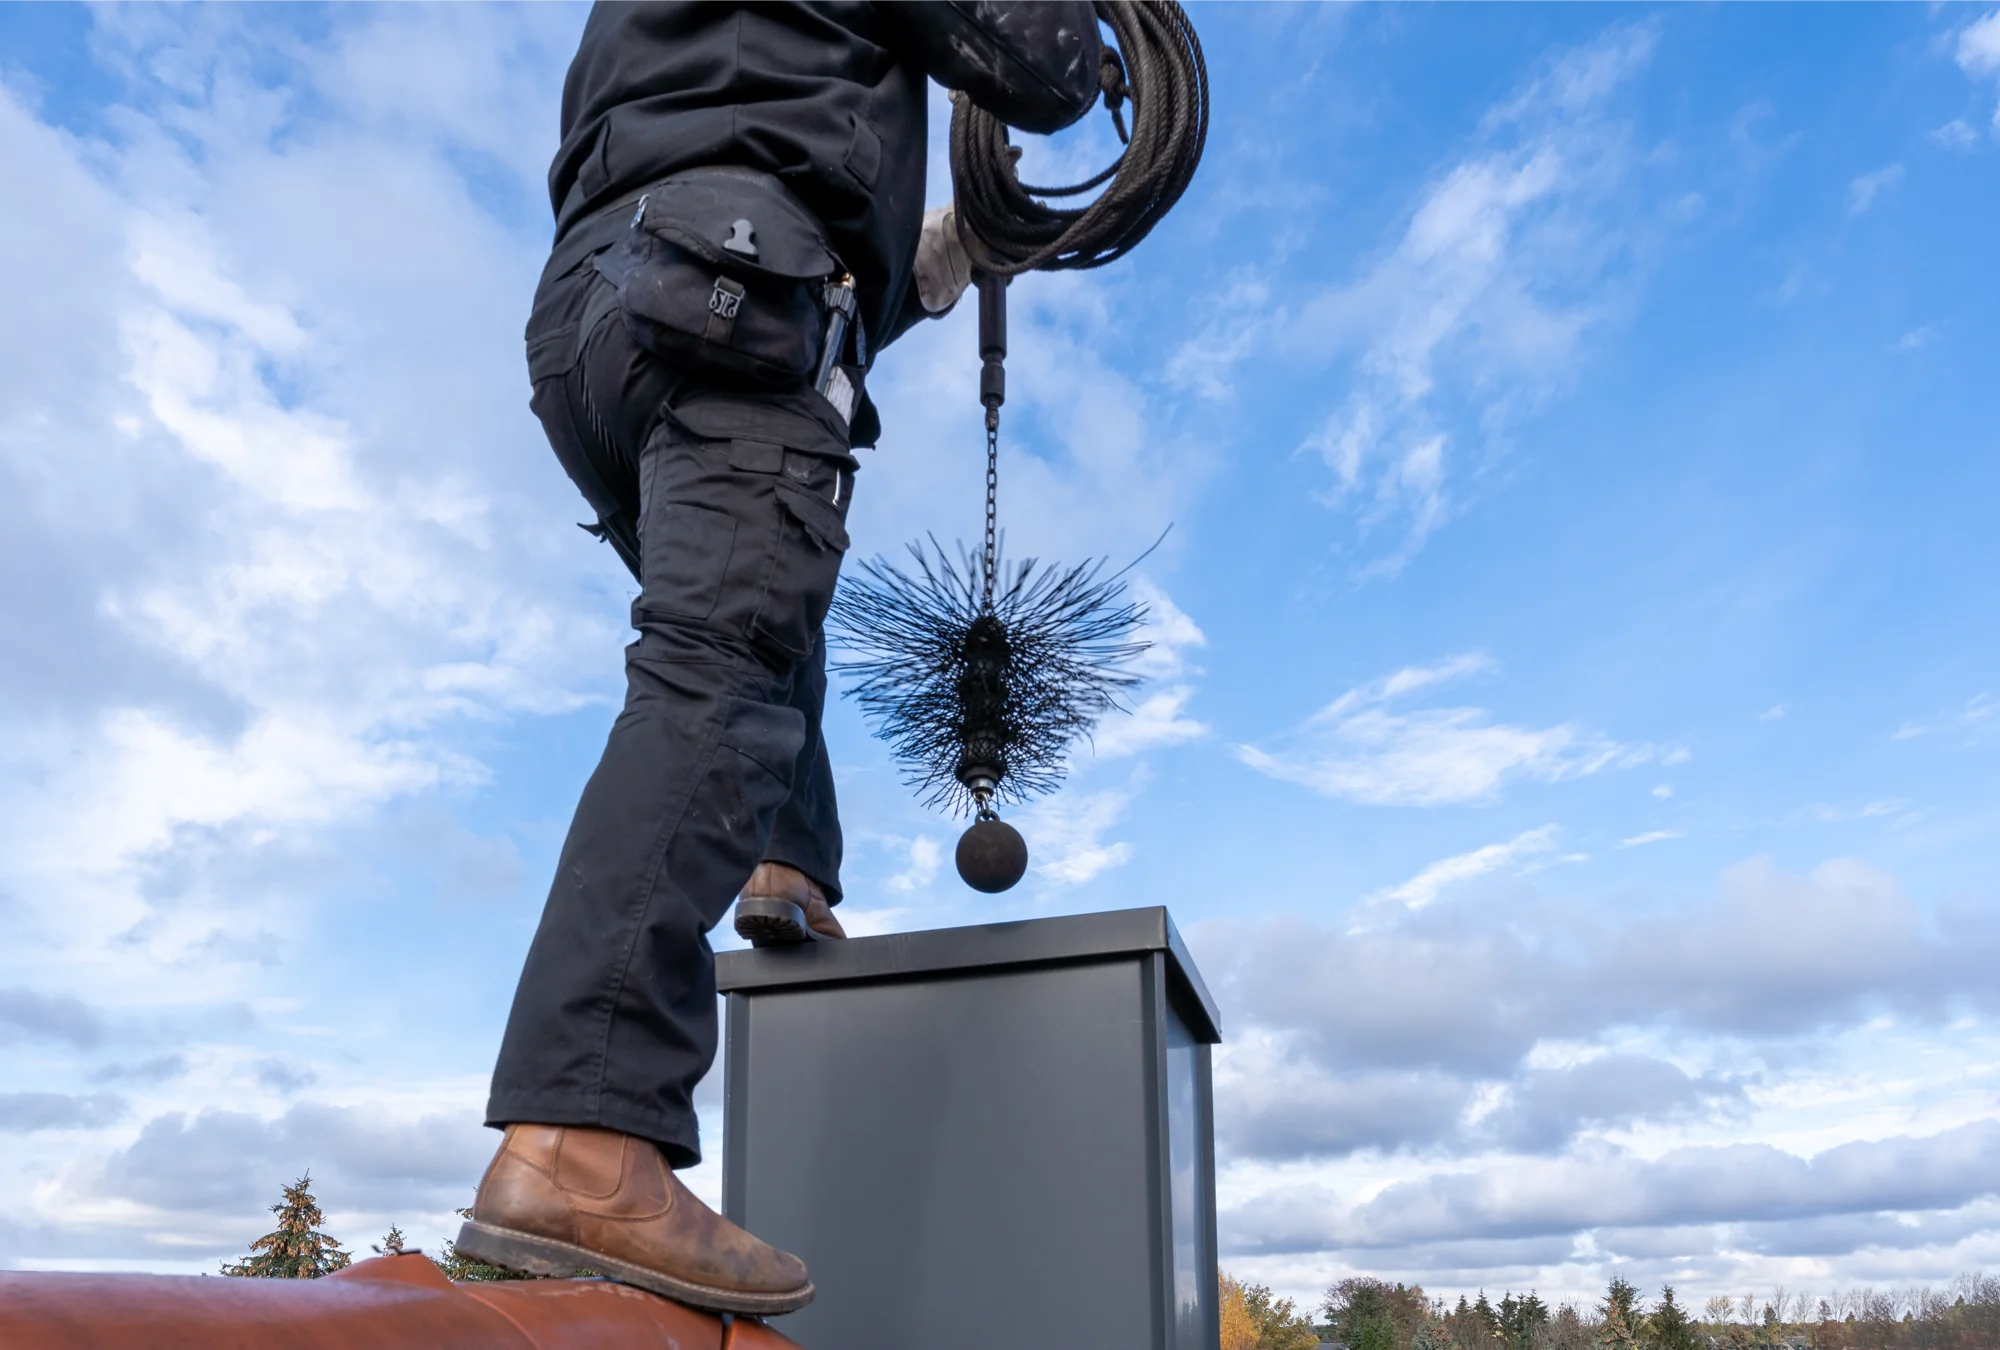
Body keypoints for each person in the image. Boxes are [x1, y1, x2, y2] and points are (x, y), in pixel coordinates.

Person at [456, 0, 1105, 1316]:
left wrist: (924, 261)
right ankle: (583, 1136)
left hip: (601, 316)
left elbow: (744, 140)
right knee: (725, 665)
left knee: (753, 612)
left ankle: (785, 862)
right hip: (725, 287)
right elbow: (1041, 64)